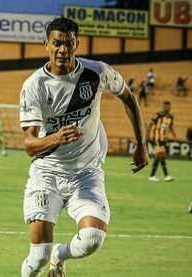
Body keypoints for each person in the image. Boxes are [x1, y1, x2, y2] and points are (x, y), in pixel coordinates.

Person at [19, 17, 148, 277]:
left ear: (77, 43)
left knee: (91, 239)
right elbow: (30, 145)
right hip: (47, 174)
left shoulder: (97, 72)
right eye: (57, 43)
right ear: (46, 45)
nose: (63, 50)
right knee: (38, 256)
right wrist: (56, 138)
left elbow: (129, 98)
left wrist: (141, 144)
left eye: (69, 44)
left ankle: (61, 254)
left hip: (86, 174)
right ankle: (47, 257)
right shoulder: (34, 85)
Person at [148, 101, 176, 182]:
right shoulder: (158, 114)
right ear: (163, 106)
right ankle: (165, 176)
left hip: (163, 138)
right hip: (156, 138)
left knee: (160, 156)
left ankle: (153, 175)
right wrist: (148, 135)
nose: (167, 107)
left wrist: (173, 134)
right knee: (161, 155)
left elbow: (170, 127)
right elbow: (150, 124)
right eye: (165, 106)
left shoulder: (170, 116)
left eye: (168, 106)